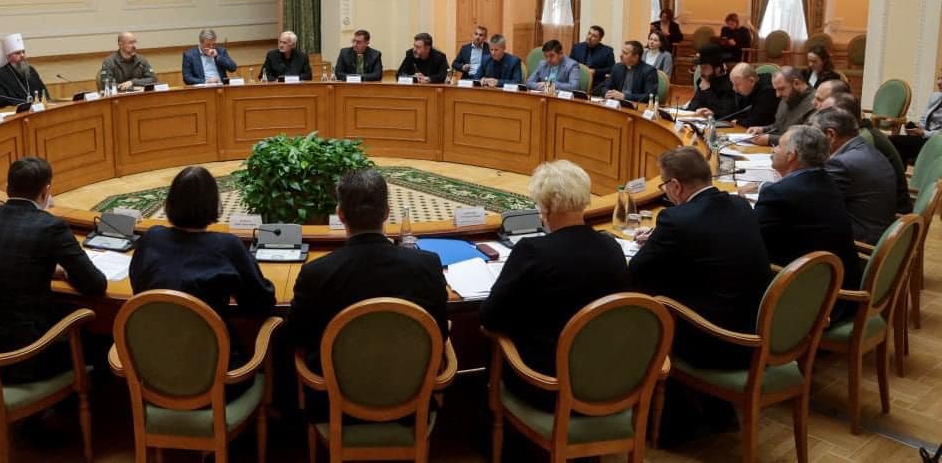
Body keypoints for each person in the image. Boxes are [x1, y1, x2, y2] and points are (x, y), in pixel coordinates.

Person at [478, 160, 629, 411]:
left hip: (547, 385)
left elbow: (489, 318)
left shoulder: (532, 251)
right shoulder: (611, 247)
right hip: (607, 380)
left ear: (545, 208)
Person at [290, 169, 448, 371]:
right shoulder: (428, 265)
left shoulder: (315, 273)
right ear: (387, 212)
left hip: (335, 385)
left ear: (340, 214)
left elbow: (297, 336)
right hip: (412, 382)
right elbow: (440, 333)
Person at [630, 147, 772, 369]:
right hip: (758, 329)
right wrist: (660, 239)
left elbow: (637, 270)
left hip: (716, 342)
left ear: (675, 186)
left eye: (664, 186)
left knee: (639, 294)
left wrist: (659, 242)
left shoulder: (675, 219)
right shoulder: (741, 205)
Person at [0, 157, 107, 383]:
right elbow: (96, 285)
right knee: (103, 341)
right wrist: (66, 272)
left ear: (8, 187)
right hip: (28, 356)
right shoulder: (50, 226)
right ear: (46, 192)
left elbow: (16, 262)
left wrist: (47, 268)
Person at [129, 166, 276, 338]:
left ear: (169, 202)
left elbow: (138, 286)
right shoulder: (228, 245)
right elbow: (261, 304)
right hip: (213, 353)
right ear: (214, 204)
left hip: (147, 349)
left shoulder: (151, 238)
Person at [754, 126, 861, 309]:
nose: (773, 149)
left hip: (810, 302)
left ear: (791, 156)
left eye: (778, 146)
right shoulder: (827, 181)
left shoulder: (779, 194)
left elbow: (753, 241)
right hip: (837, 288)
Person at [819, 88, 911, 215]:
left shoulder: (864, 139)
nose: (819, 117)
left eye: (825, 114)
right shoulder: (859, 134)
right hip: (877, 208)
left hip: (892, 212)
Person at [813, 108, 898, 244]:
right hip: (878, 232)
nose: (812, 143)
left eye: (815, 136)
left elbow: (815, 204)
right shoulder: (868, 150)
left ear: (830, 134)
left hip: (859, 242)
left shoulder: (840, 163)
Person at [745, 67, 815, 146]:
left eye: (781, 89)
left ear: (796, 83)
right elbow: (779, 126)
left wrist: (770, 139)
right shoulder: (788, 97)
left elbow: (806, 139)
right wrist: (762, 129)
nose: (777, 95)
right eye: (776, 90)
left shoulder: (816, 103)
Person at [697, 63, 777, 127]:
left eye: (738, 85)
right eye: (733, 84)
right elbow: (735, 113)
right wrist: (714, 114)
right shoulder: (748, 89)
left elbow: (756, 122)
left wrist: (737, 121)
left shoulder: (768, 91)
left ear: (751, 81)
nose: (734, 89)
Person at [889, 68, 942, 164]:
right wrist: (917, 127)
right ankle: (899, 172)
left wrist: (923, 133)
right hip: (924, 136)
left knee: (894, 141)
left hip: (936, 141)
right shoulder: (935, 96)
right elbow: (924, 118)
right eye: (938, 78)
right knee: (895, 143)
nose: (939, 82)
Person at [0, 33, 48, 107]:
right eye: (18, 53)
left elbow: (43, 90)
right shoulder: (0, 75)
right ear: (8, 57)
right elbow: (1, 100)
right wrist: (24, 105)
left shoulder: (31, 70)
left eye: (23, 52)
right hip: (17, 111)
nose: (22, 55)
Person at [684, 46, 735, 118]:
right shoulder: (703, 80)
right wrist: (697, 110)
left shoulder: (730, 84)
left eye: (705, 68)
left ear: (717, 69)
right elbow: (692, 106)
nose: (701, 72)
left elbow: (725, 113)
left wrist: (708, 90)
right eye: (701, 68)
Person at [570, 25, 615, 91]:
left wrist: (595, 71)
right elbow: (570, 64)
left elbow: (611, 69)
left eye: (594, 36)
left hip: (596, 85)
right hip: (576, 82)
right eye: (589, 33)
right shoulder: (577, 47)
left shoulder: (607, 51)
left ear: (600, 39)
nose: (589, 37)